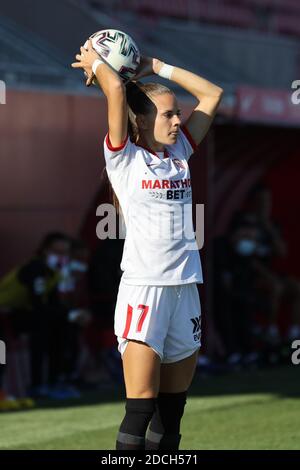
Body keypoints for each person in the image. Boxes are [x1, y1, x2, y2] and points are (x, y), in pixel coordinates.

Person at [72, 40, 223, 450]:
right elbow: (117, 92)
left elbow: (213, 94)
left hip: (185, 287)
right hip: (145, 288)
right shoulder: (124, 158)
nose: (178, 120)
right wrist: (99, 64)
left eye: (178, 113)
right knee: (140, 408)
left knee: (173, 410)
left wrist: (156, 65)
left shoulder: (179, 153)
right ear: (141, 119)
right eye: (169, 113)